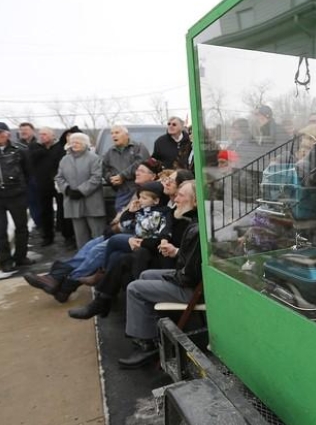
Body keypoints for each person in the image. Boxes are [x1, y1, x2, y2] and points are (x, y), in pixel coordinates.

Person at [24, 158, 163, 302]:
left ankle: (65, 284)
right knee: (91, 245)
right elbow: (127, 214)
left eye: (142, 171)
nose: (137, 173)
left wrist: (119, 225)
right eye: (137, 170)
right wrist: (118, 223)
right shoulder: (139, 190)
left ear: (153, 176)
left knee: (99, 249)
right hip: (127, 229)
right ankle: (56, 279)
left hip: (139, 234)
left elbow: (142, 220)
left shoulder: (152, 193)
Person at [68, 170, 195, 319]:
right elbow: (140, 224)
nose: (165, 182)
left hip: (166, 258)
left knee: (122, 247)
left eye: (171, 181)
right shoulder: (172, 207)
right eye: (166, 179)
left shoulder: (181, 214)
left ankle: (98, 292)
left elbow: (167, 239)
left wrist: (142, 241)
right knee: (117, 255)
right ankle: (103, 299)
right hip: (155, 249)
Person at [118, 180, 201, 369]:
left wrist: (173, 272)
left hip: (191, 289)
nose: (175, 199)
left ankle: (146, 344)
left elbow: (190, 275)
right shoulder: (193, 222)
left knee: (134, 287)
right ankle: (149, 332)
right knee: (146, 275)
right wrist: (176, 252)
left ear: (194, 201)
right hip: (188, 279)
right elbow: (192, 260)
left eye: (181, 195)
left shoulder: (195, 227)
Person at [102, 181, 172, 271]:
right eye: (140, 197)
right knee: (115, 256)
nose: (139, 200)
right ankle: (106, 276)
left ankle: (103, 269)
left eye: (144, 198)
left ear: (156, 200)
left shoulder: (163, 212)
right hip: (137, 240)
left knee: (114, 240)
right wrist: (130, 212)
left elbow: (161, 230)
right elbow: (125, 224)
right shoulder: (142, 210)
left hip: (150, 244)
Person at [0, 120, 33, 277]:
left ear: (7, 134)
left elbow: (28, 172)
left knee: (21, 227)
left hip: (17, 195)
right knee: (0, 230)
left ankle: (21, 256)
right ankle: (6, 261)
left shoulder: (20, 150)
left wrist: (22, 188)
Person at [54, 132, 105, 248]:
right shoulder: (65, 160)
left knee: (98, 235)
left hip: (92, 203)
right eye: (72, 142)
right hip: (73, 203)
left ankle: (100, 261)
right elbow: (59, 177)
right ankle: (83, 259)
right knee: (80, 237)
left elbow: (96, 177)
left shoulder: (94, 158)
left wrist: (81, 191)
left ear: (85, 143)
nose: (74, 144)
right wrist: (66, 190)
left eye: (78, 142)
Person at [29, 127, 67, 246]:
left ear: (52, 135)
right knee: (45, 211)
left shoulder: (59, 148)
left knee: (62, 210)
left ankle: (66, 235)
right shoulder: (35, 147)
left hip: (58, 183)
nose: (42, 136)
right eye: (40, 134)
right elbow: (30, 160)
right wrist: (43, 149)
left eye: (45, 134)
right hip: (42, 184)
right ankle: (47, 236)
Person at [102, 125, 149, 212]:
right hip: (122, 190)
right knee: (121, 216)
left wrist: (122, 176)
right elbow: (104, 169)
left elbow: (140, 163)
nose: (113, 135)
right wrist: (111, 178)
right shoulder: (109, 152)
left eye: (117, 132)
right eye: (112, 133)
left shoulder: (138, 147)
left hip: (139, 189)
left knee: (139, 214)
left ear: (127, 135)